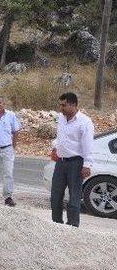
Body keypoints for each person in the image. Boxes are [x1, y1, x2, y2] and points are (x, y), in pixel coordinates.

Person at [50, 92, 94, 227]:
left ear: (73, 104)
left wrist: (87, 165)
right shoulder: (61, 119)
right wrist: (55, 147)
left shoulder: (85, 122)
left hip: (76, 163)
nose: (61, 108)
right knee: (55, 195)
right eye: (60, 105)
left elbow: (88, 144)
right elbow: (61, 137)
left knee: (74, 197)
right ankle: (56, 224)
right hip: (61, 162)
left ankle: (72, 226)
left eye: (64, 105)